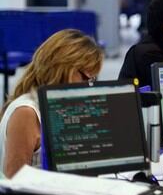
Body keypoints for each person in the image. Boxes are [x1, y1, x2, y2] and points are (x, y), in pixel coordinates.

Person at [0, 30, 103, 178]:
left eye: (93, 80)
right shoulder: (26, 112)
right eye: (86, 78)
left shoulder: (64, 106)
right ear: (62, 69)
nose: (88, 86)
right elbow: (15, 183)